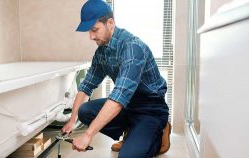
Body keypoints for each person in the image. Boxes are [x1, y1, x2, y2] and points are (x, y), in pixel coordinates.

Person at [61, 0, 171, 157]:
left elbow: (119, 97)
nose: (91, 36)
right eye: (89, 31)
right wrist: (72, 121)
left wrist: (88, 135)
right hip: (128, 107)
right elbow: (86, 87)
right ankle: (131, 130)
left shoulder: (133, 48)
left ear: (110, 23)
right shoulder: (102, 52)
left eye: (95, 30)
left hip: (149, 109)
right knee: (84, 111)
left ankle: (158, 134)